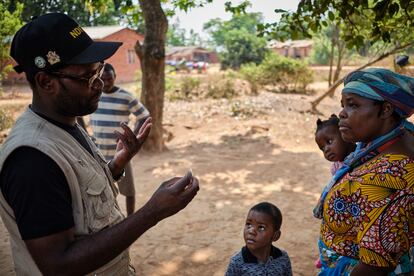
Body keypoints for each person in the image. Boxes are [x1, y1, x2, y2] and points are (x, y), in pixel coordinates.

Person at [0, 13, 199, 276]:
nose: (99, 85)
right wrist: (151, 212)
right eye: (87, 77)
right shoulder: (32, 160)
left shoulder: (68, 124)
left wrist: (116, 165)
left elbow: (77, 196)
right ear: (46, 82)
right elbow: (58, 265)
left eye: (100, 70)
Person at [314, 68, 414, 275]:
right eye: (343, 105)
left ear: (386, 110)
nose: (342, 113)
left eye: (353, 105)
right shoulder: (394, 137)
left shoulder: (391, 175)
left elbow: (376, 264)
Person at [90, 63, 149, 216]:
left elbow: (144, 116)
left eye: (109, 78)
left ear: (115, 77)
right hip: (99, 152)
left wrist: (132, 139)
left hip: (121, 152)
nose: (106, 82)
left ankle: (130, 218)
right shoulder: (94, 94)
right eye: (103, 79)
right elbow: (76, 115)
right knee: (103, 190)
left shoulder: (125, 96)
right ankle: (108, 220)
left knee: (128, 190)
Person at [225, 202, 292, 276]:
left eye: (261, 227)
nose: (251, 231)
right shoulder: (237, 262)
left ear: (275, 236)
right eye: (248, 224)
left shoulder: (282, 258)